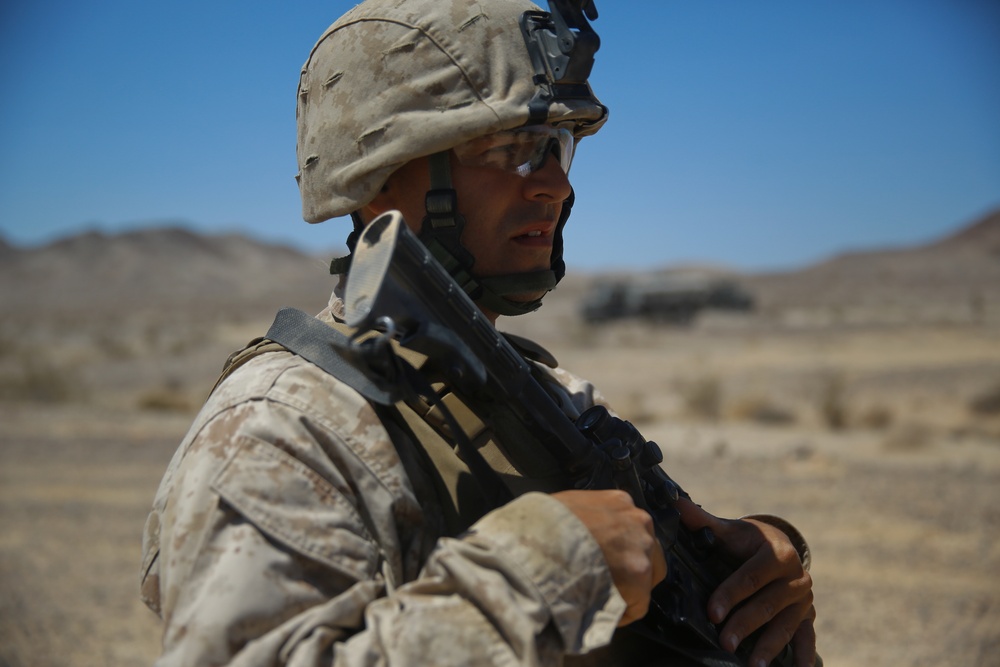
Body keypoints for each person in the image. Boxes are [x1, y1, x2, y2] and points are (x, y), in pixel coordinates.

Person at [139, 1, 817, 665]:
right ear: (375, 178)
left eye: (559, 145)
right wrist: (550, 569)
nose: (554, 183)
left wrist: (759, 561)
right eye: (510, 147)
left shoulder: (547, 398)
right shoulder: (282, 426)